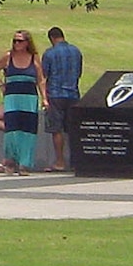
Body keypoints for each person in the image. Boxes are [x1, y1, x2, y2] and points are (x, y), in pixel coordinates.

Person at [0, 29, 45, 173]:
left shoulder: (34, 58)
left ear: (27, 43)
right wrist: (1, 84)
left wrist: (45, 98)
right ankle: (10, 161)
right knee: (12, 130)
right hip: (12, 97)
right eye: (14, 41)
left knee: (28, 131)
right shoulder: (8, 57)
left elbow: (40, 80)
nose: (16, 44)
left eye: (19, 41)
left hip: (29, 98)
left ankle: (25, 164)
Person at [42, 24, 84, 171]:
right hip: (73, 93)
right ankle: (76, 161)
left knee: (57, 129)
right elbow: (79, 73)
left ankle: (60, 162)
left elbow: (44, 76)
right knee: (72, 129)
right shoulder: (76, 51)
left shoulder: (49, 53)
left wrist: (44, 97)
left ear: (52, 38)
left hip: (55, 94)